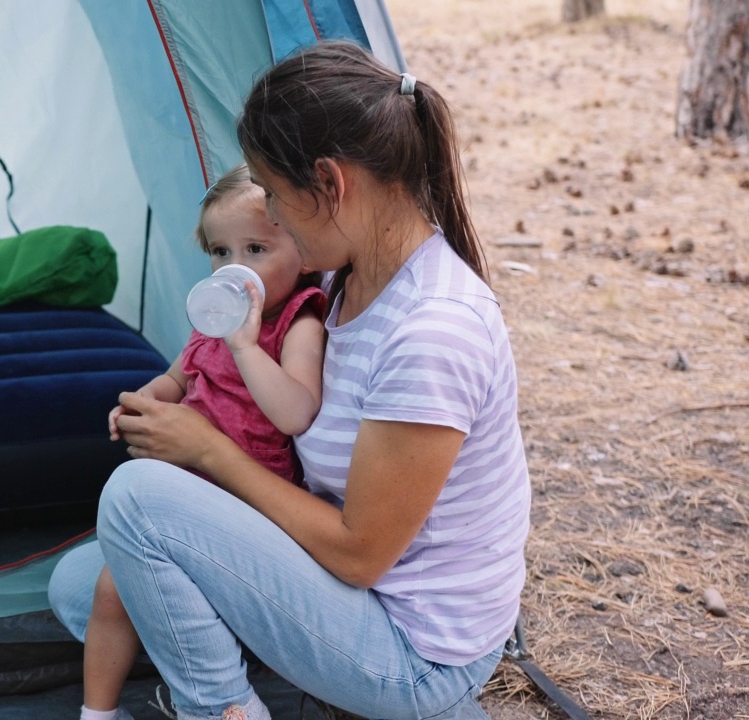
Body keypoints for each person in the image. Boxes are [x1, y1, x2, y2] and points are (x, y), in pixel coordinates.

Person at [48, 40, 531, 720]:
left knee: (135, 501)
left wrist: (205, 450)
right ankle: (284, 673)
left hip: (414, 651)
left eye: (274, 195)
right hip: (345, 589)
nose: (268, 216)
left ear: (330, 184)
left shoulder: (432, 331)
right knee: (83, 584)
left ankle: (222, 706)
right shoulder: (341, 274)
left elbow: (361, 556)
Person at [82, 163, 326, 720]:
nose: (235, 269)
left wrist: (245, 346)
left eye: (255, 250)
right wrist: (143, 400)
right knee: (108, 590)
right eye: (220, 252)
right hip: (184, 484)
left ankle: (224, 697)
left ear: (306, 251)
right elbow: (180, 377)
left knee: (184, 597)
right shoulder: (212, 318)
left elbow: (294, 412)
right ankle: (97, 713)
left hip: (246, 499)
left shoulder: (297, 322)